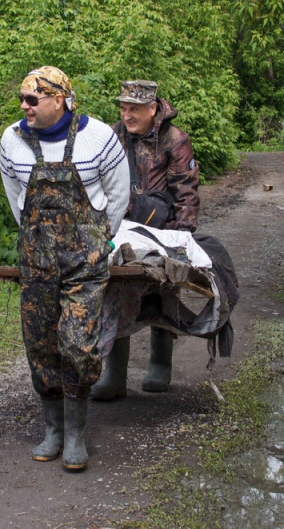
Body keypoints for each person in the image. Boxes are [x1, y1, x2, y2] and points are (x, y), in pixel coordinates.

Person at [0, 65, 129, 472]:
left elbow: (120, 192)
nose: (25, 107)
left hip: (84, 268)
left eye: (32, 100)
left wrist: (101, 242)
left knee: (76, 344)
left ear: (59, 100)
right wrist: (35, 242)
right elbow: (15, 195)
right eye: (22, 100)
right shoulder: (12, 139)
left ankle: (75, 435)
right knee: (40, 346)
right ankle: (52, 430)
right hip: (36, 265)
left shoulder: (99, 138)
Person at [91, 79, 201, 400]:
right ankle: (114, 375)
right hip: (120, 229)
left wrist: (181, 241)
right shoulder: (113, 135)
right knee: (113, 289)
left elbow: (186, 192)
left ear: (153, 109)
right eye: (123, 108)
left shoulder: (175, 140)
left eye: (134, 109)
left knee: (161, 291)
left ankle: (160, 363)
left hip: (161, 230)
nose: (127, 115)